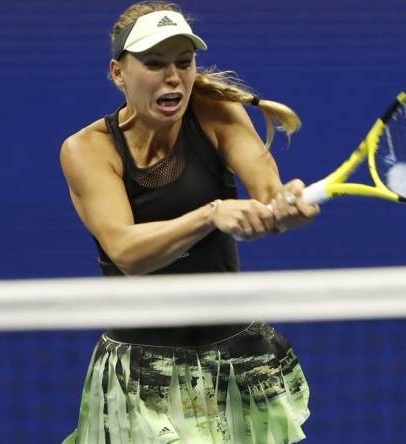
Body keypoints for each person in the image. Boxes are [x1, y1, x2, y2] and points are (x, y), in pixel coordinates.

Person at [59, 2, 319, 442]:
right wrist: (212, 214)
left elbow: (270, 195)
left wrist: (285, 209)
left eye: (184, 62)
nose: (173, 77)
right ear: (119, 72)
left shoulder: (217, 113)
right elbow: (126, 252)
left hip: (237, 360)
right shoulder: (88, 149)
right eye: (154, 63)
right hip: (143, 375)